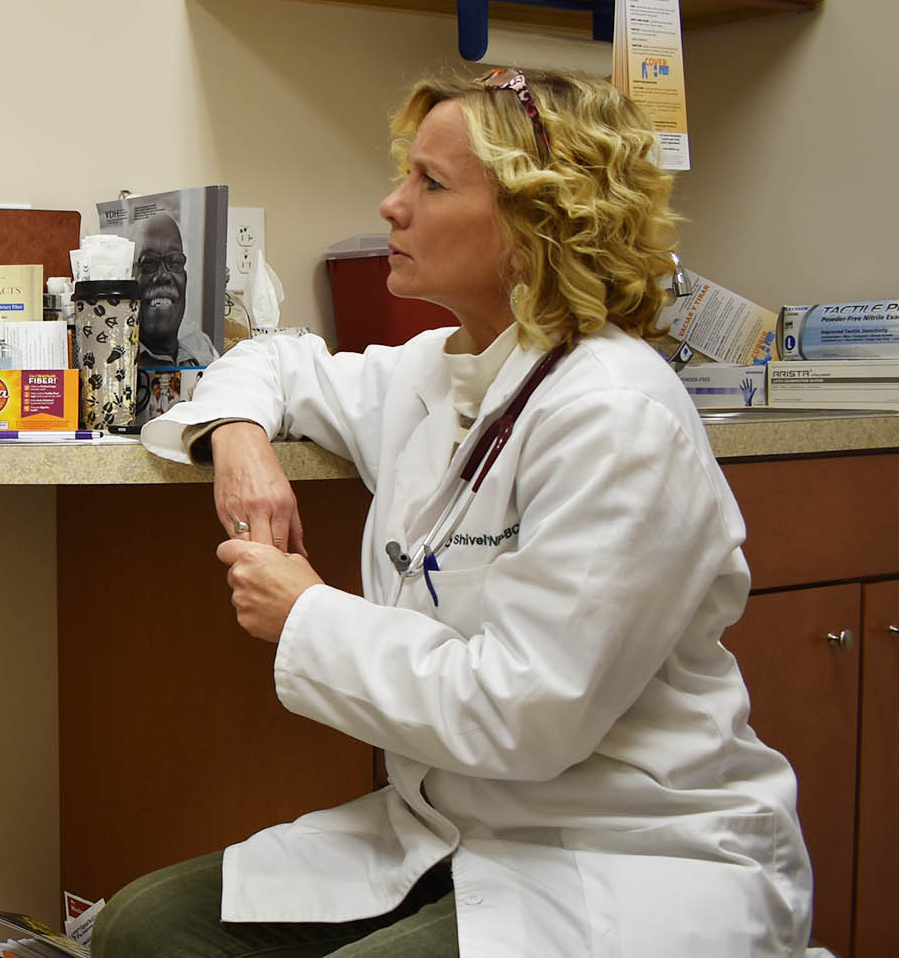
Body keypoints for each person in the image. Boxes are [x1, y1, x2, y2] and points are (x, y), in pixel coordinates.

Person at [94, 68, 811, 956]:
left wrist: (307, 614)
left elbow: (525, 714)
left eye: (430, 184)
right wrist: (237, 440)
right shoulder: (439, 370)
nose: (391, 205)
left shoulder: (616, 415)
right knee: (144, 930)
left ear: (537, 224)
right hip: (452, 829)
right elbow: (274, 360)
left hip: (623, 851)